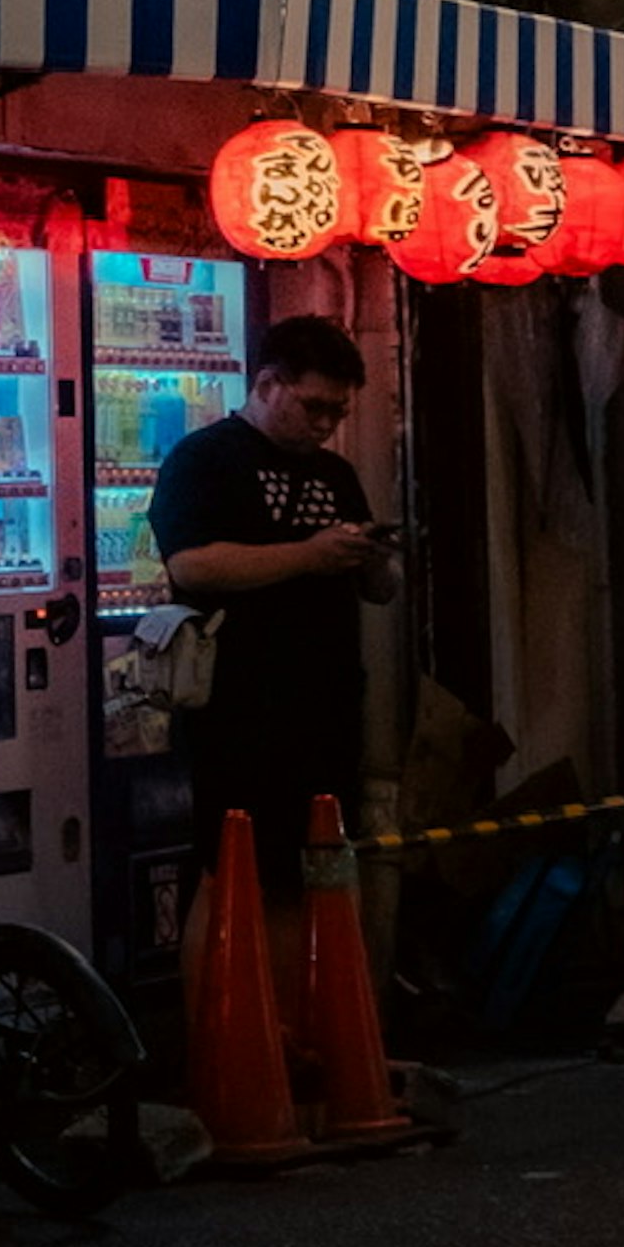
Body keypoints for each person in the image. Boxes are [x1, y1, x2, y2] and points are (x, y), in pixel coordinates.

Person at [149, 311, 396, 939]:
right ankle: (219, 1030)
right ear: (265, 385)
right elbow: (193, 564)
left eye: (337, 413)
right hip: (239, 709)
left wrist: (372, 562)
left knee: (313, 872)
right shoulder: (203, 458)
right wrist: (311, 555)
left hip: (328, 708)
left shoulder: (335, 474)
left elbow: (378, 589)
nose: (324, 425)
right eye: (313, 406)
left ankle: (295, 1023)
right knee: (228, 874)